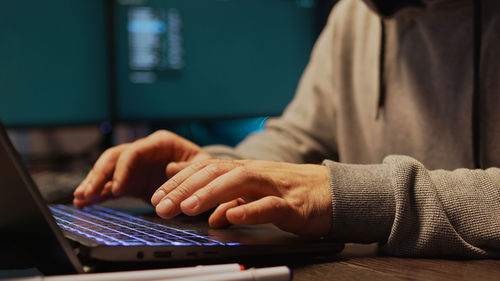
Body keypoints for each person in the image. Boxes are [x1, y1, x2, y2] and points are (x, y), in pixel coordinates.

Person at [74, 0, 500, 258]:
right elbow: (301, 138)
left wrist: (345, 194)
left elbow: (325, 186)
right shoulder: (357, 15)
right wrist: (212, 172)